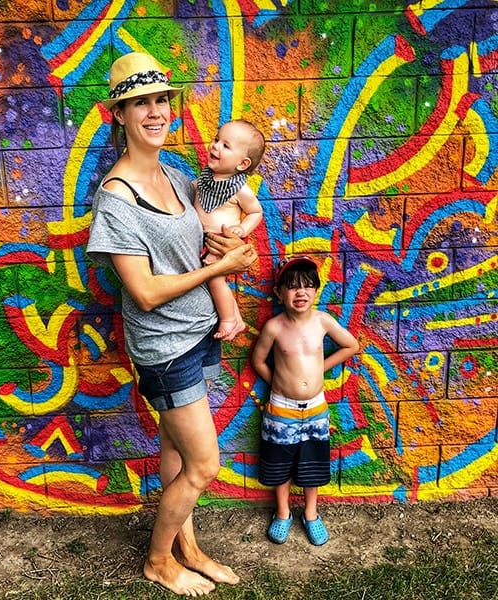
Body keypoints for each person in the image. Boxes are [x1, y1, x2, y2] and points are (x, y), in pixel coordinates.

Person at [86, 51, 257, 596]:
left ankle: (188, 545)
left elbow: (205, 240)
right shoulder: (116, 200)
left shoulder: (178, 176)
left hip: (198, 331)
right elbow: (145, 291)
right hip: (164, 347)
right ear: (120, 114)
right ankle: (159, 561)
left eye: (161, 99)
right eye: (142, 103)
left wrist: (234, 248)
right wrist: (224, 266)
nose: (156, 111)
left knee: (177, 452)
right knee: (204, 465)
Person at [250, 256, 359, 546]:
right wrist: (278, 381)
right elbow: (258, 360)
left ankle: (311, 514)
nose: (301, 293)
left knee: (312, 462)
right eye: (293, 287)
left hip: (315, 408)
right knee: (280, 463)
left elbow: (351, 345)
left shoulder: (323, 321)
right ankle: (283, 513)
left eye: (308, 286)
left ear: (316, 291)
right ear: (279, 292)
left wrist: (318, 369)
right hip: (281, 408)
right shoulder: (274, 327)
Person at [194, 120, 265, 341]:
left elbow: (256, 212)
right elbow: (196, 190)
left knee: (215, 280)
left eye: (226, 146)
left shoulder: (240, 189)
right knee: (215, 281)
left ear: (243, 164)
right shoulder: (205, 178)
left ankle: (228, 319)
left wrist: (241, 229)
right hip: (204, 242)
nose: (215, 146)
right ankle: (237, 318)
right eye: (216, 139)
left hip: (219, 243)